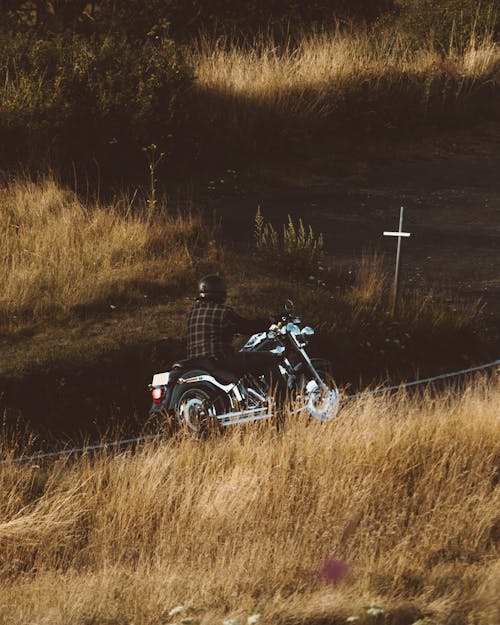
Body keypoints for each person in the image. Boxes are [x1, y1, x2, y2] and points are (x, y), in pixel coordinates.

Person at [186, 274, 282, 387]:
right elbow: (247, 327)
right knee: (268, 359)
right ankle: (281, 401)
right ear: (220, 292)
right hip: (219, 359)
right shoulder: (223, 312)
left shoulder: (191, 312)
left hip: (196, 362)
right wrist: (270, 321)